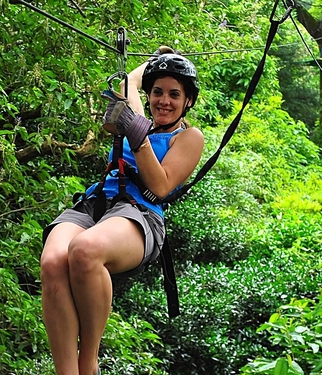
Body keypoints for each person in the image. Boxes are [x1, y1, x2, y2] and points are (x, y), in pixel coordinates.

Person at [40, 48, 204, 375]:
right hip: (97, 201)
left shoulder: (188, 138)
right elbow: (129, 81)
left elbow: (160, 185)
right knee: (53, 261)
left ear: (187, 101)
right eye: (157, 92)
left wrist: (137, 133)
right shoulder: (140, 115)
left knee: (84, 251)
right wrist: (158, 58)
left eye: (174, 94)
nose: (164, 101)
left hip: (139, 213)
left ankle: (88, 362)